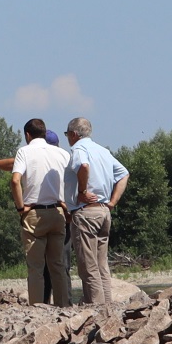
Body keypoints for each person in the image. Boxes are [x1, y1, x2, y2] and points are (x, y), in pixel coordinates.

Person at [62, 116, 129, 307]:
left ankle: (96, 309)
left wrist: (82, 191)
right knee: (101, 265)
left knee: (87, 265)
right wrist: (112, 202)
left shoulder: (78, 149)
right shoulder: (103, 151)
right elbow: (124, 174)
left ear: (74, 134)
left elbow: (83, 166)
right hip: (103, 212)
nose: (68, 138)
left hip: (86, 213)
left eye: (67, 134)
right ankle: (108, 307)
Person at [7, 117, 71, 306]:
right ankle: (63, 307)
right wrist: (68, 205)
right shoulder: (62, 153)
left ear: (27, 135)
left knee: (36, 267)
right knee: (57, 265)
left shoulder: (24, 152)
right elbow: (72, 180)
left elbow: (15, 180)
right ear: (45, 133)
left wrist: (21, 208)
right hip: (58, 212)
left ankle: (36, 308)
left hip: (34, 213)